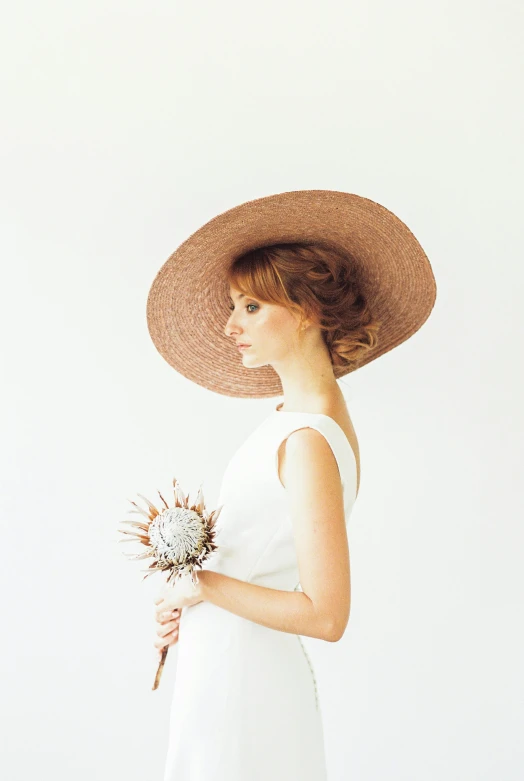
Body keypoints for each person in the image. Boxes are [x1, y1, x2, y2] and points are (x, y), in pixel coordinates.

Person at [145, 190, 437, 779]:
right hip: (227, 666)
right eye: (234, 307)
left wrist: (200, 585)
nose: (230, 326)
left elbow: (326, 615)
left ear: (305, 309)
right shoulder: (292, 418)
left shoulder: (306, 440)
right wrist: (191, 596)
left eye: (250, 307)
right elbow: (256, 563)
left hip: (244, 681)